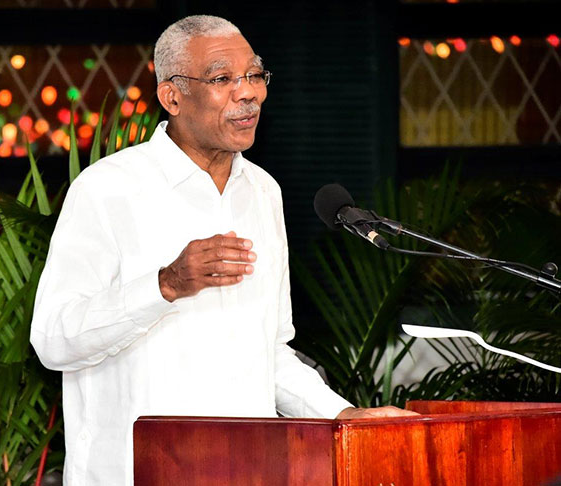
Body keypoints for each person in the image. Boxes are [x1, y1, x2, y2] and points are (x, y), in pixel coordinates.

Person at [30, 14, 416, 486]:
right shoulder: (106, 190)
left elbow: (268, 353)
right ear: (172, 95)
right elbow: (53, 340)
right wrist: (165, 284)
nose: (249, 92)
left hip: (246, 470)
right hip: (134, 474)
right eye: (222, 79)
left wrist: (342, 413)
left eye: (254, 75)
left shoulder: (262, 192)